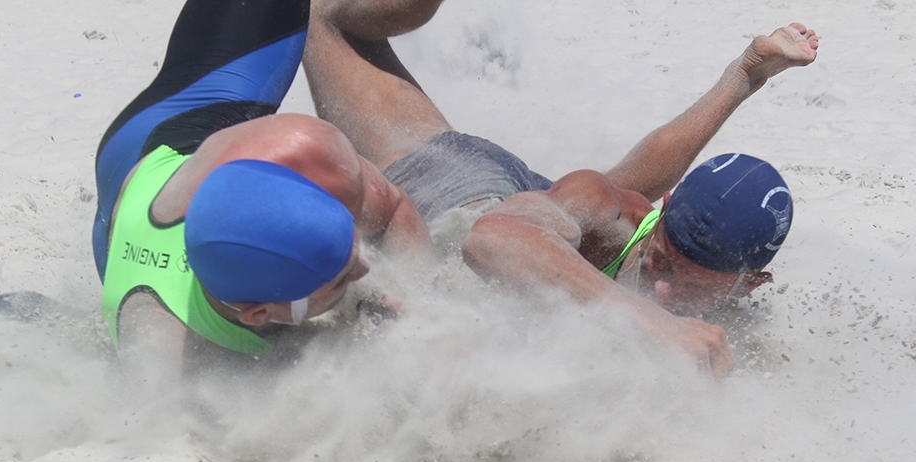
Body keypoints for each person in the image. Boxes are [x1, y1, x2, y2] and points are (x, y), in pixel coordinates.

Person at [303, 0, 819, 378]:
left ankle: (744, 75)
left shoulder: (738, 307)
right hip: (473, 191)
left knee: (600, 198)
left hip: (549, 207)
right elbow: (491, 239)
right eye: (662, 261)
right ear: (660, 216)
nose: (663, 291)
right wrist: (655, 324)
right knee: (325, 26)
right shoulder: (614, 216)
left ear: (748, 285)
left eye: (695, 287)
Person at [92, 0, 433, 362]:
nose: (363, 269)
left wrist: (425, 303)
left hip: (166, 132)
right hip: (128, 219)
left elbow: (394, 207)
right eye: (338, 280)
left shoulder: (302, 147)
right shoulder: (166, 360)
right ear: (258, 313)